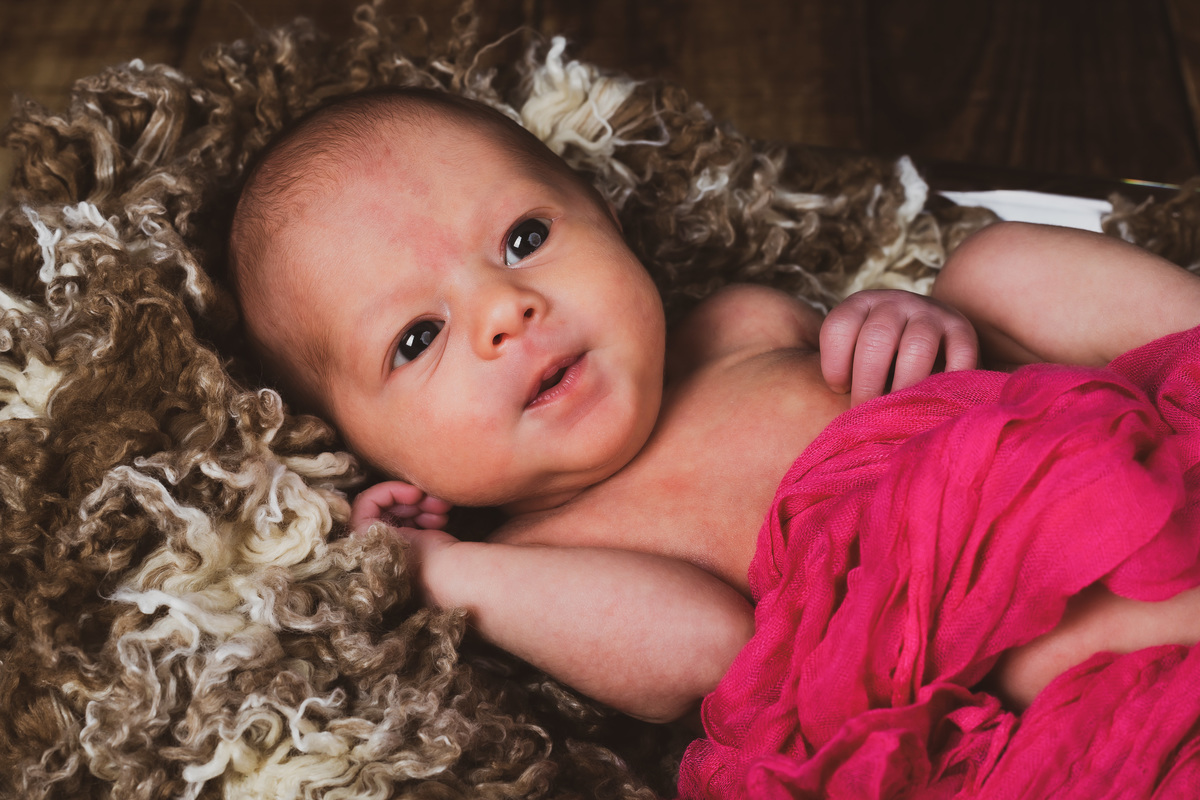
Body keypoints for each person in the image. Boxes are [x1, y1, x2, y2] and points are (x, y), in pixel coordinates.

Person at [228, 86, 1200, 727]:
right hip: (993, 597)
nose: (504, 311)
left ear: (608, 219)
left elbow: (923, 362)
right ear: (360, 447)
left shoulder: (738, 324)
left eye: (524, 238)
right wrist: (442, 570)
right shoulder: (540, 555)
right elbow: (706, 648)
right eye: (416, 337)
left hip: (1087, 428)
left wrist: (901, 318)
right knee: (1044, 650)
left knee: (996, 266)